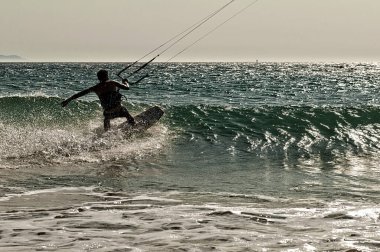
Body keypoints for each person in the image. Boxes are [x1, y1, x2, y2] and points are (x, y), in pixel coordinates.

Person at [61, 69, 135, 131]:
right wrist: (126, 82)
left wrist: (67, 100)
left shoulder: (95, 88)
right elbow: (126, 87)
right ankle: (133, 125)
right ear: (106, 76)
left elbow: (79, 94)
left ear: (98, 78)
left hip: (108, 112)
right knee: (125, 111)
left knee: (106, 119)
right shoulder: (112, 82)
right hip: (118, 110)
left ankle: (106, 134)